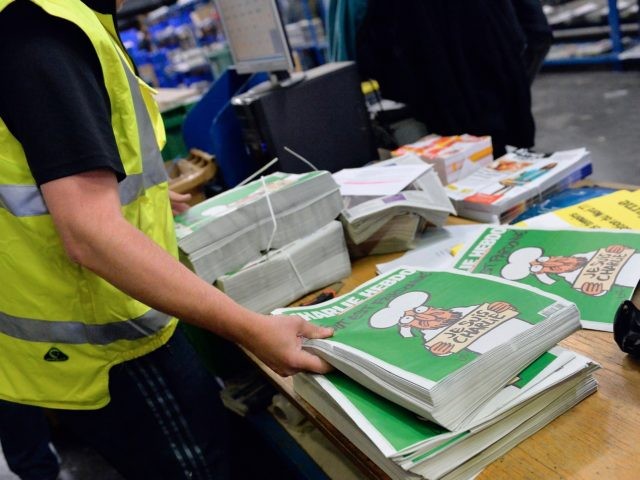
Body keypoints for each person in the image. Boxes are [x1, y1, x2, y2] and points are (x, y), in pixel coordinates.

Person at [0, 0, 333, 479]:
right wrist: (251, 328)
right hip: (116, 342)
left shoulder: (60, 23)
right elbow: (91, 235)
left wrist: (151, 199)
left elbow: (56, 184)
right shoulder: (46, 32)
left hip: (103, 335)